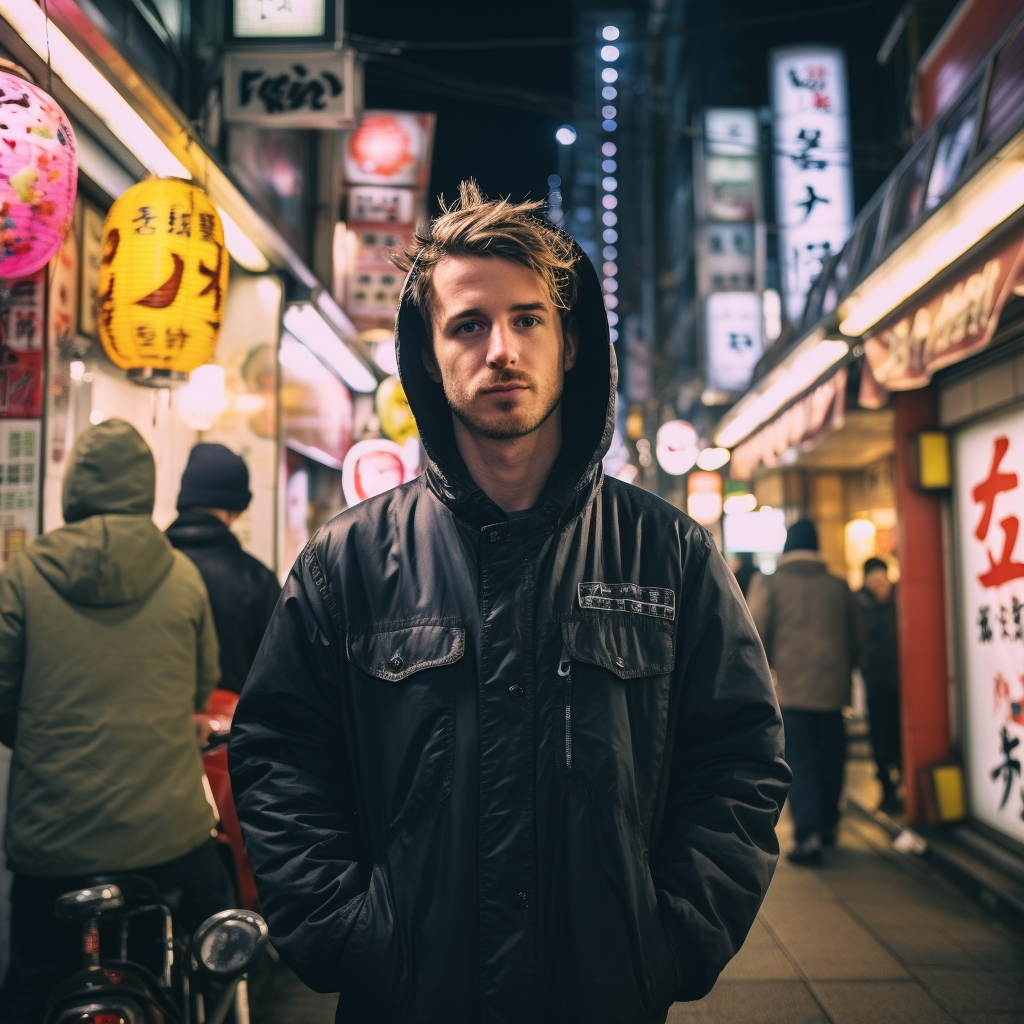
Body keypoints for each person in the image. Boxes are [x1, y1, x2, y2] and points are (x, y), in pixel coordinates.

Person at [229, 182, 791, 1023]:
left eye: (529, 319)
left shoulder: (668, 555)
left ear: (570, 346)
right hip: (409, 999)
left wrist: (671, 936)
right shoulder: (343, 564)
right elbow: (279, 757)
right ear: (427, 354)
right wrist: (348, 935)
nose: (502, 350)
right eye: (469, 324)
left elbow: (740, 757)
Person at [0, 420, 231, 1022]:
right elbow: (198, 690)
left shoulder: (23, 577)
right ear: (145, 487)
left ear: (73, 487)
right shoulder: (182, 576)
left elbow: (3, 700)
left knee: (28, 982)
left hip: (51, 842)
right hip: (166, 835)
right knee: (218, 951)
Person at [747, 518, 863, 866]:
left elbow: (754, 635)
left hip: (792, 693)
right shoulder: (838, 586)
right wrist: (842, 669)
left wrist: (771, 674)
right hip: (833, 693)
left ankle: (808, 836)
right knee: (832, 759)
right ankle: (828, 824)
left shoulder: (770, 583)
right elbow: (859, 637)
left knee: (801, 763)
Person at [167, 443, 281, 694]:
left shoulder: (146, 564)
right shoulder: (256, 579)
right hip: (230, 730)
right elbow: (281, 676)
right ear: (237, 509)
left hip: (155, 726)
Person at [857, 556, 902, 814]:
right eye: (872, 580)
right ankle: (887, 787)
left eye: (881, 579)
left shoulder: (901, 600)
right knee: (879, 736)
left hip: (901, 683)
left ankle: (899, 782)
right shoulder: (860, 603)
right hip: (874, 682)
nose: (877, 584)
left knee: (898, 734)